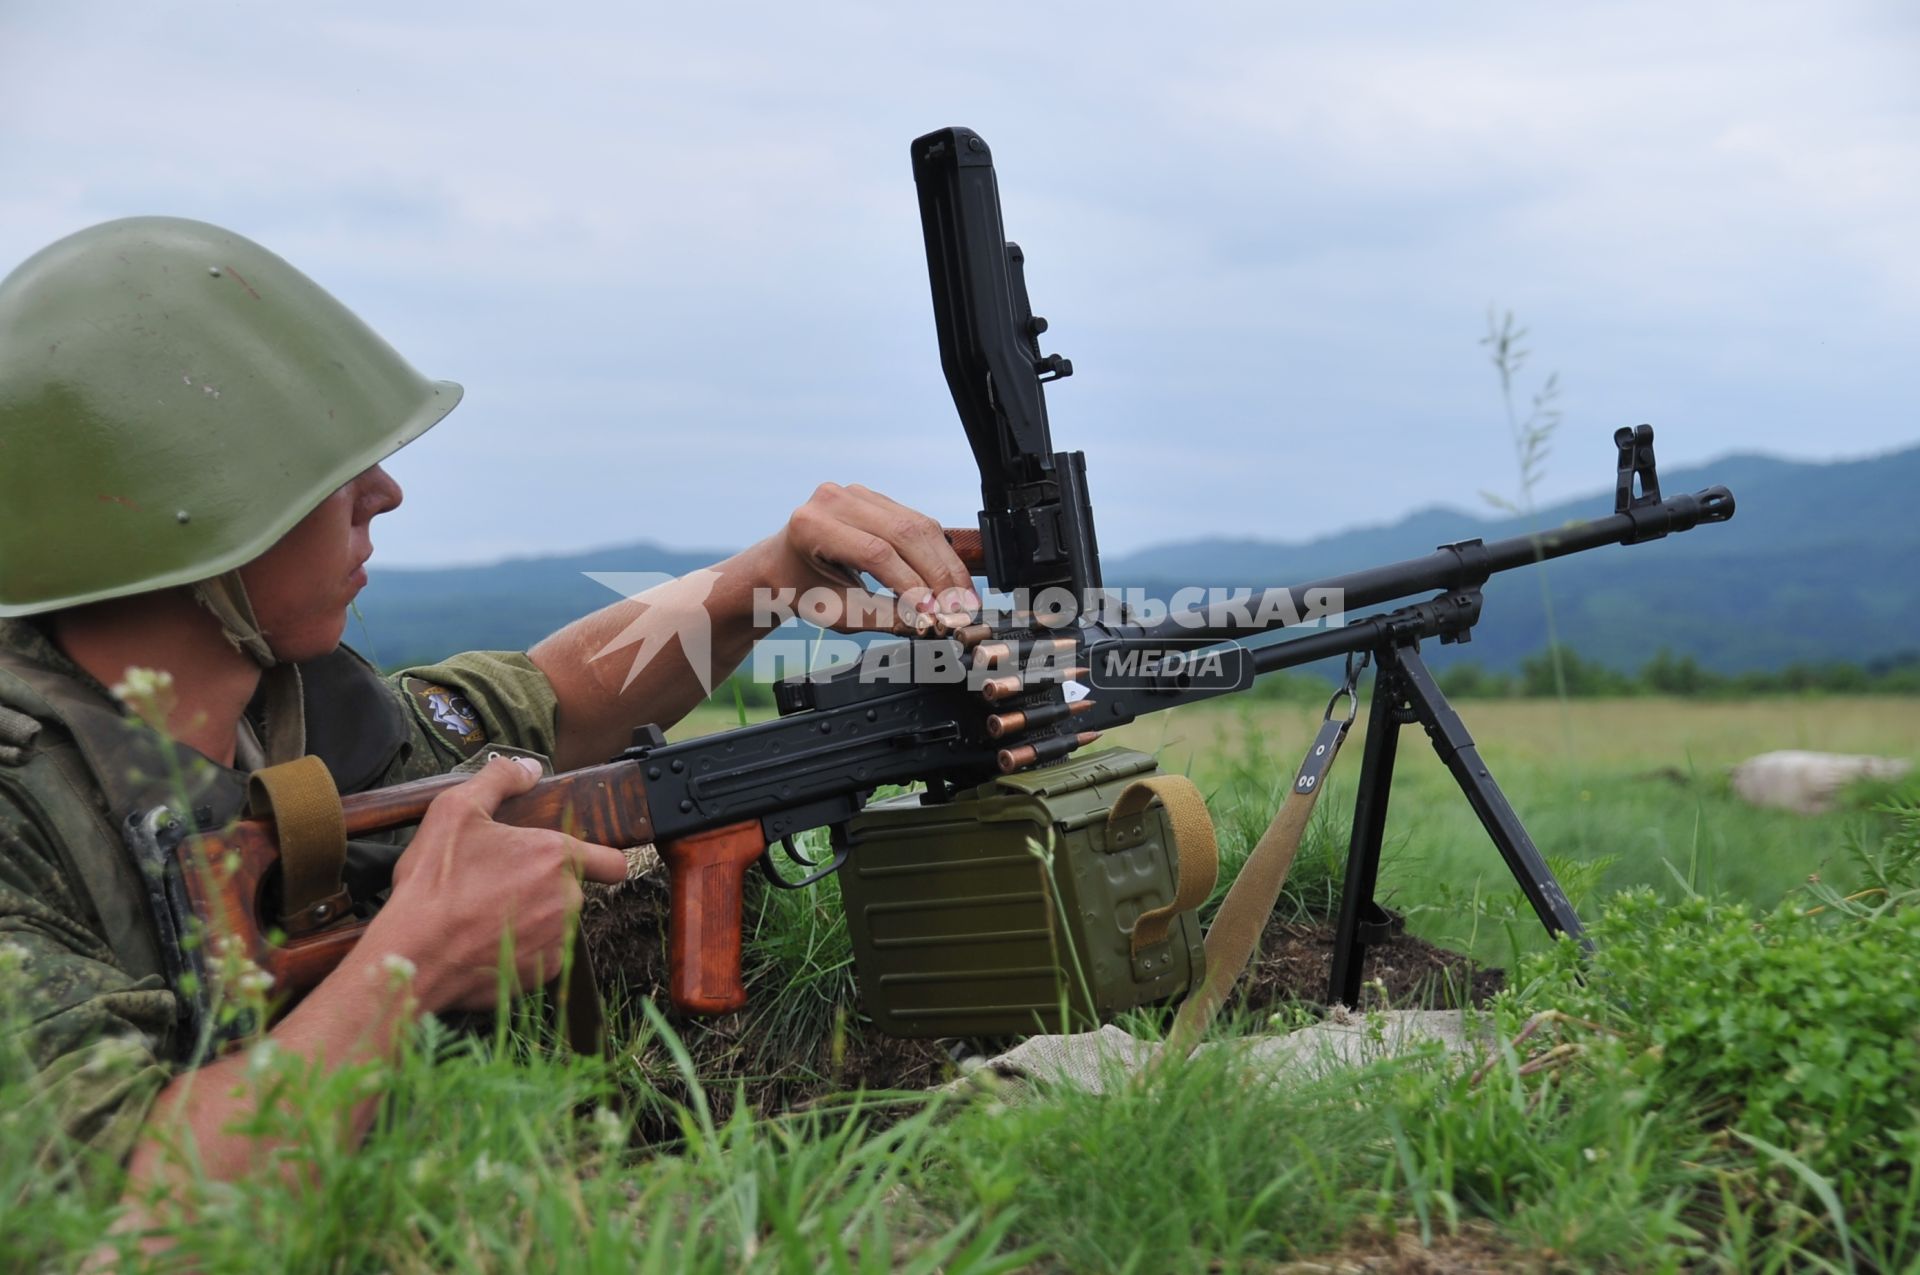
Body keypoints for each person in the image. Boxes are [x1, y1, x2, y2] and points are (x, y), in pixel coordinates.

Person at [0, 216, 979, 1202]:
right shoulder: (21, 815)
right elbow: (122, 1215)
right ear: (191, 509)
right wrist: (413, 965)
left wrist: (756, 583)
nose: (384, 493)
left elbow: (556, 703)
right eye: (329, 473)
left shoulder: (297, 712)